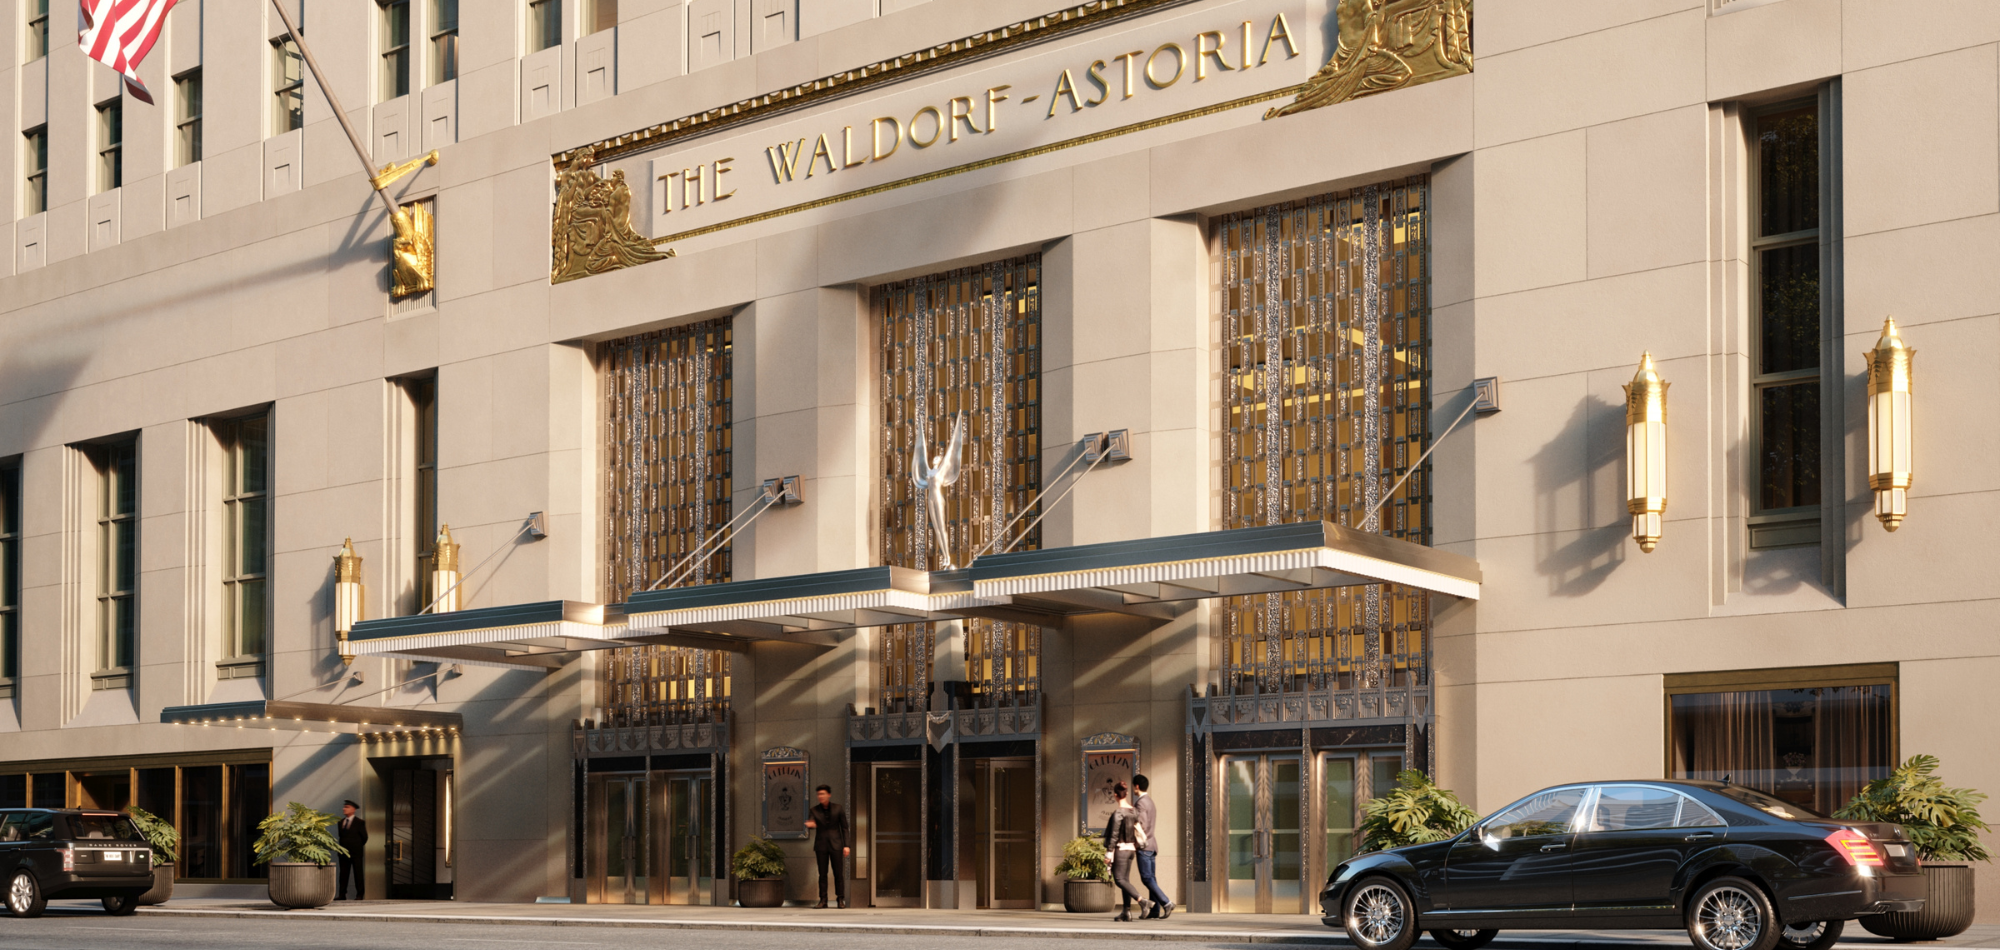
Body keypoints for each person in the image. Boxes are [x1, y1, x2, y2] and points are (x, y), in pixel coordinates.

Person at [1101, 781, 1149, 922]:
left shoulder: (1118, 813)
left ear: (1115, 795)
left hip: (1121, 849)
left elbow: (1114, 834)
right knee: (1125, 880)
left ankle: (1142, 901)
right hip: (1131, 850)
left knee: (1119, 879)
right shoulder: (1133, 811)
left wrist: (1109, 853)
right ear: (1126, 794)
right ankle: (1126, 912)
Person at [1132, 774, 1173, 918]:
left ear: (1136, 786)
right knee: (1151, 878)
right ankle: (1155, 910)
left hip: (1144, 846)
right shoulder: (1150, 801)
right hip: (1152, 845)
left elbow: (1140, 825)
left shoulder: (1141, 803)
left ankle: (1166, 902)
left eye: (1133, 787)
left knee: (1146, 878)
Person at [804, 785, 850, 908]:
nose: (821, 796)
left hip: (837, 844)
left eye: (823, 794)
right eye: (819, 794)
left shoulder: (838, 808)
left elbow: (844, 828)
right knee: (822, 874)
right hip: (821, 845)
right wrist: (810, 824)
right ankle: (823, 900)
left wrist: (847, 845)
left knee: (838, 873)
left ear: (829, 795)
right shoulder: (814, 810)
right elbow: (811, 822)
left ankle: (840, 899)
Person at [335, 800, 367, 901]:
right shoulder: (341, 822)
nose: (344, 809)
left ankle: (360, 894)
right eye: (344, 807)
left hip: (356, 852)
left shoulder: (359, 822)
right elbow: (342, 837)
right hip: (343, 853)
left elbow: (364, 837)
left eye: (347, 807)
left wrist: (356, 846)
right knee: (343, 874)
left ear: (353, 809)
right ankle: (342, 894)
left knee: (358, 874)